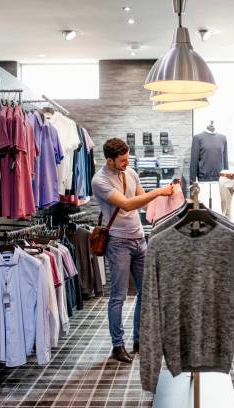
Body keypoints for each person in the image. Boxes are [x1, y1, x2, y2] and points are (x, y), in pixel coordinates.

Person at [91, 138, 174, 363]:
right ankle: (118, 346)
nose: (127, 162)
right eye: (123, 160)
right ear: (109, 160)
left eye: (128, 158)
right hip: (118, 242)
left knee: (146, 291)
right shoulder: (99, 181)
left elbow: (144, 203)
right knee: (118, 296)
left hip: (139, 239)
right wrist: (158, 191)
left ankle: (139, 339)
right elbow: (127, 204)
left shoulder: (131, 172)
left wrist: (171, 207)